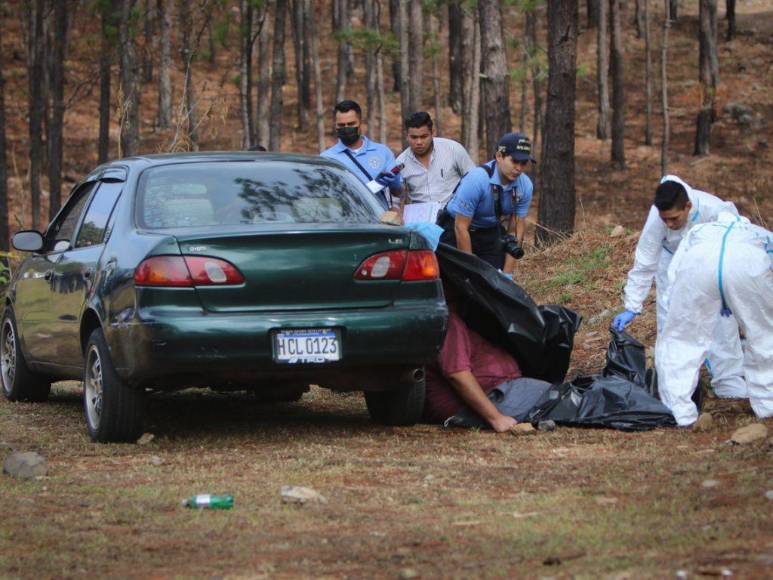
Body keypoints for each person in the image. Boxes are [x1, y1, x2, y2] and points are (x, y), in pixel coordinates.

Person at [612, 175, 747, 398]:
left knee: (722, 322)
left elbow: (738, 240)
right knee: (671, 319)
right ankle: (674, 381)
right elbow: (646, 259)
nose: (670, 224)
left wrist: (728, 287)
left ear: (688, 206)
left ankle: (728, 378)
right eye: (665, 220)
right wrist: (632, 305)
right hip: (671, 261)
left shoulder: (714, 210)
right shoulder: (658, 219)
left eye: (674, 219)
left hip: (709, 261)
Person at [656, 213, 772, 426]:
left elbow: (676, 268)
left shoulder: (698, 231)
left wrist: (672, 302)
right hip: (746, 267)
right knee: (764, 335)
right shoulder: (758, 234)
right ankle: (767, 405)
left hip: (699, 265)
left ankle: (679, 411)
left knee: (684, 339)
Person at [423, 283, 551, 432]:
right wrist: (496, 418)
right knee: (565, 399)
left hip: (500, 391)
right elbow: (457, 374)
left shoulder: (453, 319)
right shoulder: (448, 322)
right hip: (491, 396)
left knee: (561, 397)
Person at [440, 133, 535, 273]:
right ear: (499, 156)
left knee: (493, 279)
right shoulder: (477, 180)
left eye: (523, 163)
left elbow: (515, 231)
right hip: (456, 227)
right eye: (514, 161)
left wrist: (507, 276)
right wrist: (470, 272)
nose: (519, 168)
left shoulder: (525, 185)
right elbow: (461, 227)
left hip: (489, 230)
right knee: (460, 277)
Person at [320, 100, 401, 210]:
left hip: (379, 219)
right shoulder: (326, 158)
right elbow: (324, 196)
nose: (346, 128)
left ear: (360, 123)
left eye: (351, 124)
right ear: (335, 126)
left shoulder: (382, 152)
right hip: (344, 220)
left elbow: (398, 193)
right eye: (341, 125)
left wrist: (394, 182)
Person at [396, 112, 475, 207]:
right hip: (420, 217)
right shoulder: (401, 162)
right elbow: (396, 197)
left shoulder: (453, 150)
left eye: (424, 137)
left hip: (453, 213)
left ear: (432, 133)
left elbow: (473, 180)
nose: (419, 142)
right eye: (414, 137)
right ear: (407, 136)